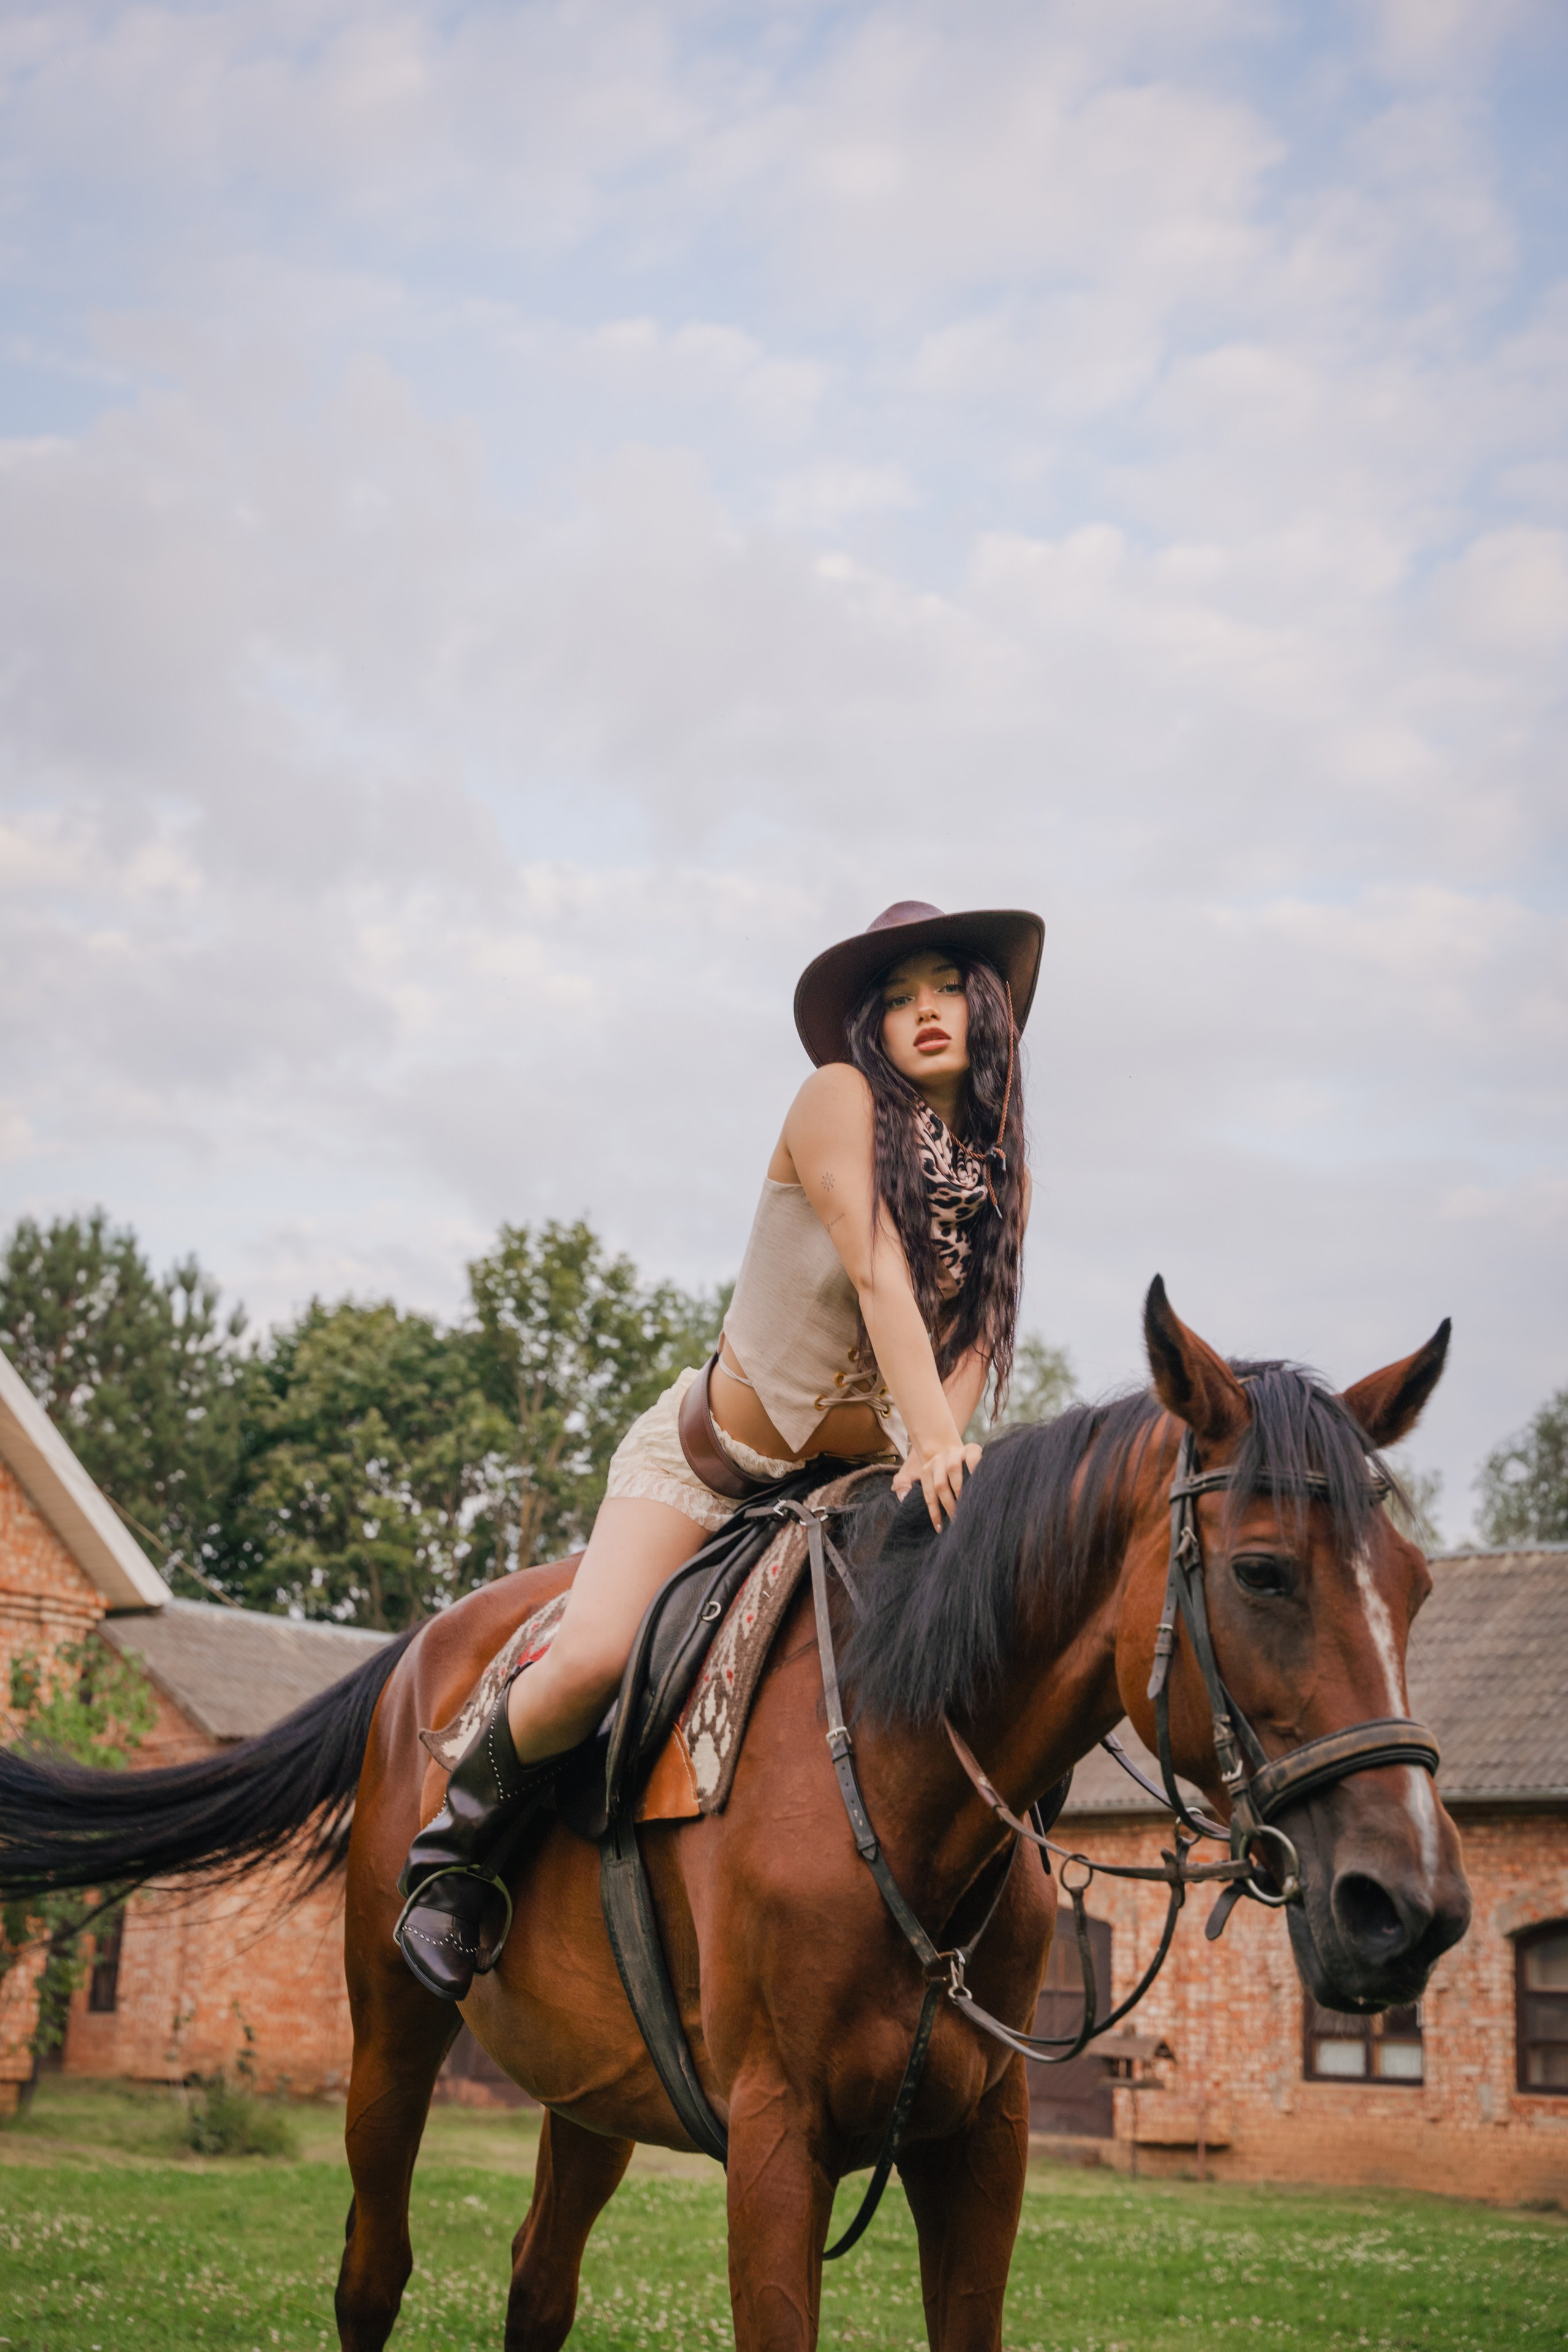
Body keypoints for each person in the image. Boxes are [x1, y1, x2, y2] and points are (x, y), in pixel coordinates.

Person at [395, 899, 1043, 2000]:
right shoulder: (837, 1101)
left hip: (846, 1490)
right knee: (595, 1657)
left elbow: (978, 1332)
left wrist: (949, 1454)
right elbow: (879, 1267)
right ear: (870, 1032)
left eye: (945, 986)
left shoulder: (999, 1172)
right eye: (897, 999)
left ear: (984, 1008)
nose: (924, 1013)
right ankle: (453, 1860)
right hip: (708, 1467)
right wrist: (935, 1443)